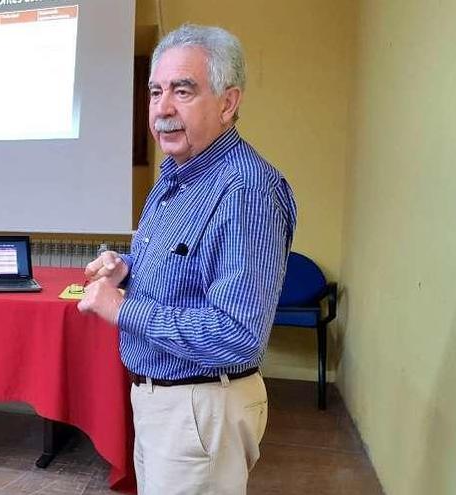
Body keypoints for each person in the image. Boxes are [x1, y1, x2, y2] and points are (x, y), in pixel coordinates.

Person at [77, 24, 297, 495]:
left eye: (183, 90)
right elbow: (183, 264)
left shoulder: (247, 192)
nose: (163, 108)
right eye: (156, 91)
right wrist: (127, 268)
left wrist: (122, 309)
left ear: (228, 102)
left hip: (201, 407)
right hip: (164, 403)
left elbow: (238, 336)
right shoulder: (175, 173)